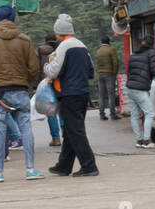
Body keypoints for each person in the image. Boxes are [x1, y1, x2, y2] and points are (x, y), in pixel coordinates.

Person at [0, 6, 43, 184]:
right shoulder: (25, 39)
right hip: (21, 89)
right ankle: (30, 169)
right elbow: (34, 68)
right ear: (13, 19)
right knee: (26, 128)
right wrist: (24, 80)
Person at [43, 13, 98, 177]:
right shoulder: (82, 46)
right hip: (82, 93)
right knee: (69, 130)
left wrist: (47, 63)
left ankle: (89, 166)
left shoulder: (63, 47)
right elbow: (90, 71)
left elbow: (53, 71)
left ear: (58, 33)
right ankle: (64, 165)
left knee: (75, 130)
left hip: (69, 94)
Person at [125, 35, 155, 149]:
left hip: (130, 87)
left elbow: (129, 71)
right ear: (153, 44)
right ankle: (146, 141)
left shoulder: (134, 54)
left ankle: (138, 140)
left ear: (143, 42)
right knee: (149, 113)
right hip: (140, 89)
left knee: (134, 115)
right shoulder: (152, 53)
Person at [37, 33, 62, 147]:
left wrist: (35, 87)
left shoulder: (41, 51)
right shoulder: (61, 48)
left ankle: (55, 138)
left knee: (50, 111)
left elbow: (37, 69)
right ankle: (67, 136)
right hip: (60, 83)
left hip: (46, 83)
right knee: (62, 110)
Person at [96, 34, 120, 119]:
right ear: (109, 42)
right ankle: (112, 114)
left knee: (101, 95)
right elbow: (115, 63)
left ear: (101, 42)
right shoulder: (111, 50)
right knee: (111, 94)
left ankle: (102, 114)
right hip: (109, 74)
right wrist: (114, 73)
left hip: (100, 74)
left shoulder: (98, 51)